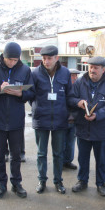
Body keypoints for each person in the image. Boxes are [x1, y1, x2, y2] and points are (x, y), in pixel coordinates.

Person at [0, 42, 34, 199]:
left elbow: (31, 92)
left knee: (16, 155)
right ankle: (1, 184)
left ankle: (16, 183)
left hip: (16, 119)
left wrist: (21, 95)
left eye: (15, 60)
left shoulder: (24, 69)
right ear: (3, 56)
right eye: (9, 59)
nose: (12, 62)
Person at [69, 56, 105, 196]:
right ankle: (82, 181)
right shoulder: (80, 82)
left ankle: (101, 183)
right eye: (90, 67)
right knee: (83, 158)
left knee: (101, 159)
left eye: (96, 68)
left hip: (101, 129)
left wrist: (97, 115)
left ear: (103, 69)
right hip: (83, 128)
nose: (92, 70)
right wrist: (78, 102)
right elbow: (71, 98)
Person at [31, 45, 71, 194]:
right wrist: (38, 109)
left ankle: (58, 181)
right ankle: (42, 180)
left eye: (49, 58)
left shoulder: (65, 73)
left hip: (60, 120)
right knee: (41, 153)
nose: (46, 61)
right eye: (44, 58)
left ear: (56, 58)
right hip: (41, 119)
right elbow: (31, 96)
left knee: (58, 153)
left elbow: (69, 95)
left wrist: (68, 113)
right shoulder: (35, 73)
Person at [63, 69, 80, 170]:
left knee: (71, 143)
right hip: (62, 120)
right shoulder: (63, 88)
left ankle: (68, 161)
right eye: (72, 76)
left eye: (75, 76)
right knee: (61, 143)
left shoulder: (78, 88)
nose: (74, 78)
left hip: (74, 120)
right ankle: (60, 162)